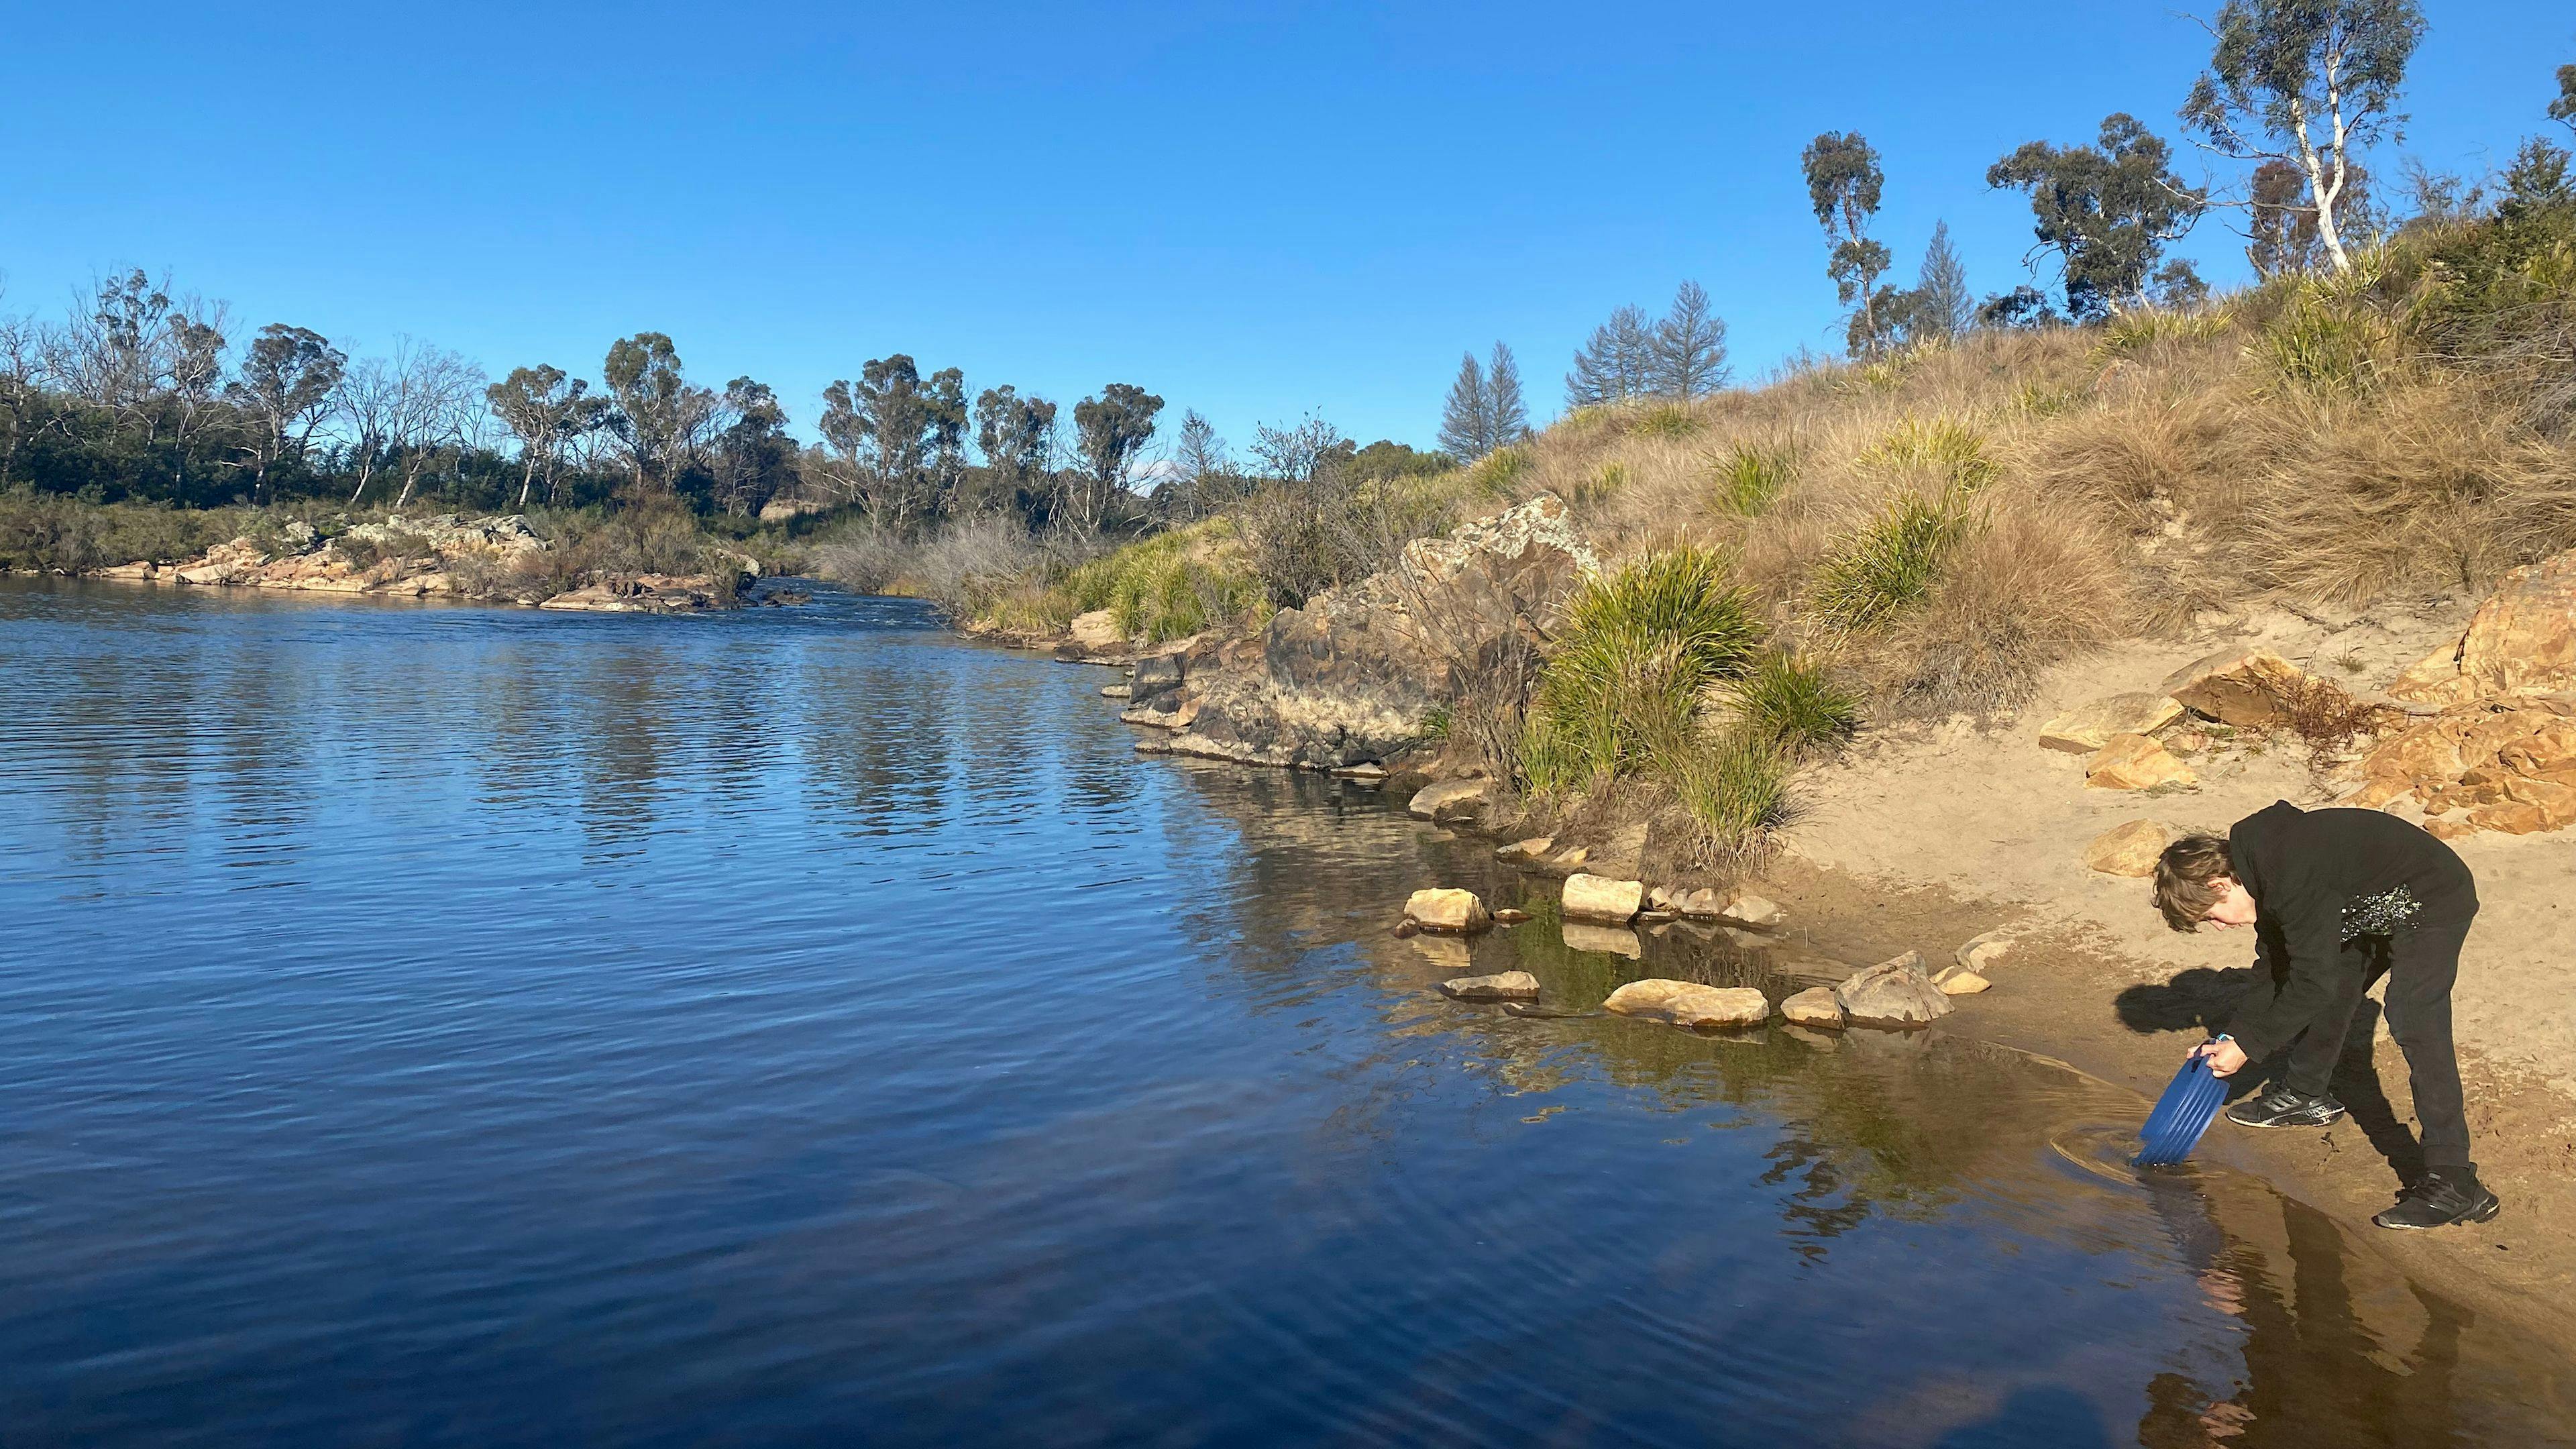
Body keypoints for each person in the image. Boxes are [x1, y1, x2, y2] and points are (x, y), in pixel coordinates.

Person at [2151, 800, 2500, 1230]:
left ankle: (2454, 1181)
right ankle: (2306, 1094)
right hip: (2366, 905)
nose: (2219, 927)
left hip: (2431, 895)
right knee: (2331, 982)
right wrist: (2232, 1037)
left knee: (2413, 1017)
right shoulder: (2265, 874)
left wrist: (2251, 1048)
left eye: (2211, 916)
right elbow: (2275, 969)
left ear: (2221, 883)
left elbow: (2311, 983)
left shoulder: (2289, 875)